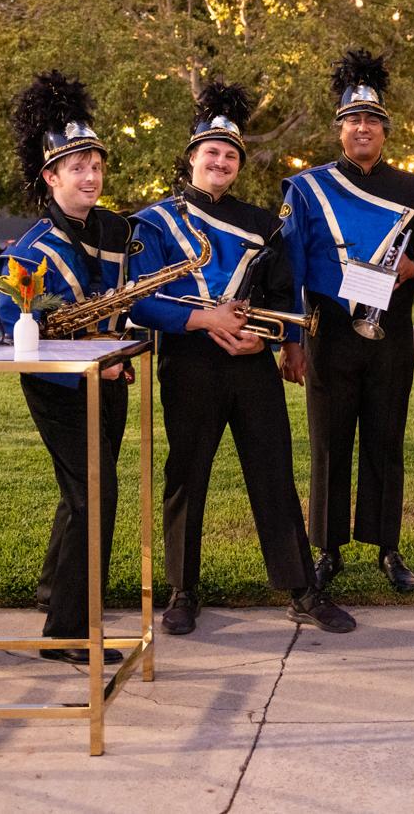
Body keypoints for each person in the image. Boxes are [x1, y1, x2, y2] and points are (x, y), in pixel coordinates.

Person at [129, 80, 354, 635]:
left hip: (250, 361)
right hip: (189, 362)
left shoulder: (263, 223)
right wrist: (205, 319)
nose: (222, 162)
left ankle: (302, 589)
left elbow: (283, 293)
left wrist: (270, 340)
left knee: (274, 473)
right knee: (188, 475)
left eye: (231, 156)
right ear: (191, 160)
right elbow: (142, 300)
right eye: (212, 153)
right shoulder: (153, 222)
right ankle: (183, 591)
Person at [282, 51, 414, 594]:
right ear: (339, 130)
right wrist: (292, 340)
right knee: (329, 443)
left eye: (372, 121)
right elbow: (291, 269)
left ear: (385, 132)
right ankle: (327, 550)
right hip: (327, 335)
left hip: (389, 338)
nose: (362, 128)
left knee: (386, 440)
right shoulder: (305, 189)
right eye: (353, 120)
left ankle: (388, 547)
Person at [0, 72, 132, 664]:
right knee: (95, 495)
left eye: (96, 165)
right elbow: (12, 321)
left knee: (79, 493)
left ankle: (56, 586)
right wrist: (85, 357)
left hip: (112, 378)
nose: (90, 176)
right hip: (59, 386)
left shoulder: (112, 229)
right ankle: (67, 631)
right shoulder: (27, 247)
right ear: (51, 176)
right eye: (76, 166)